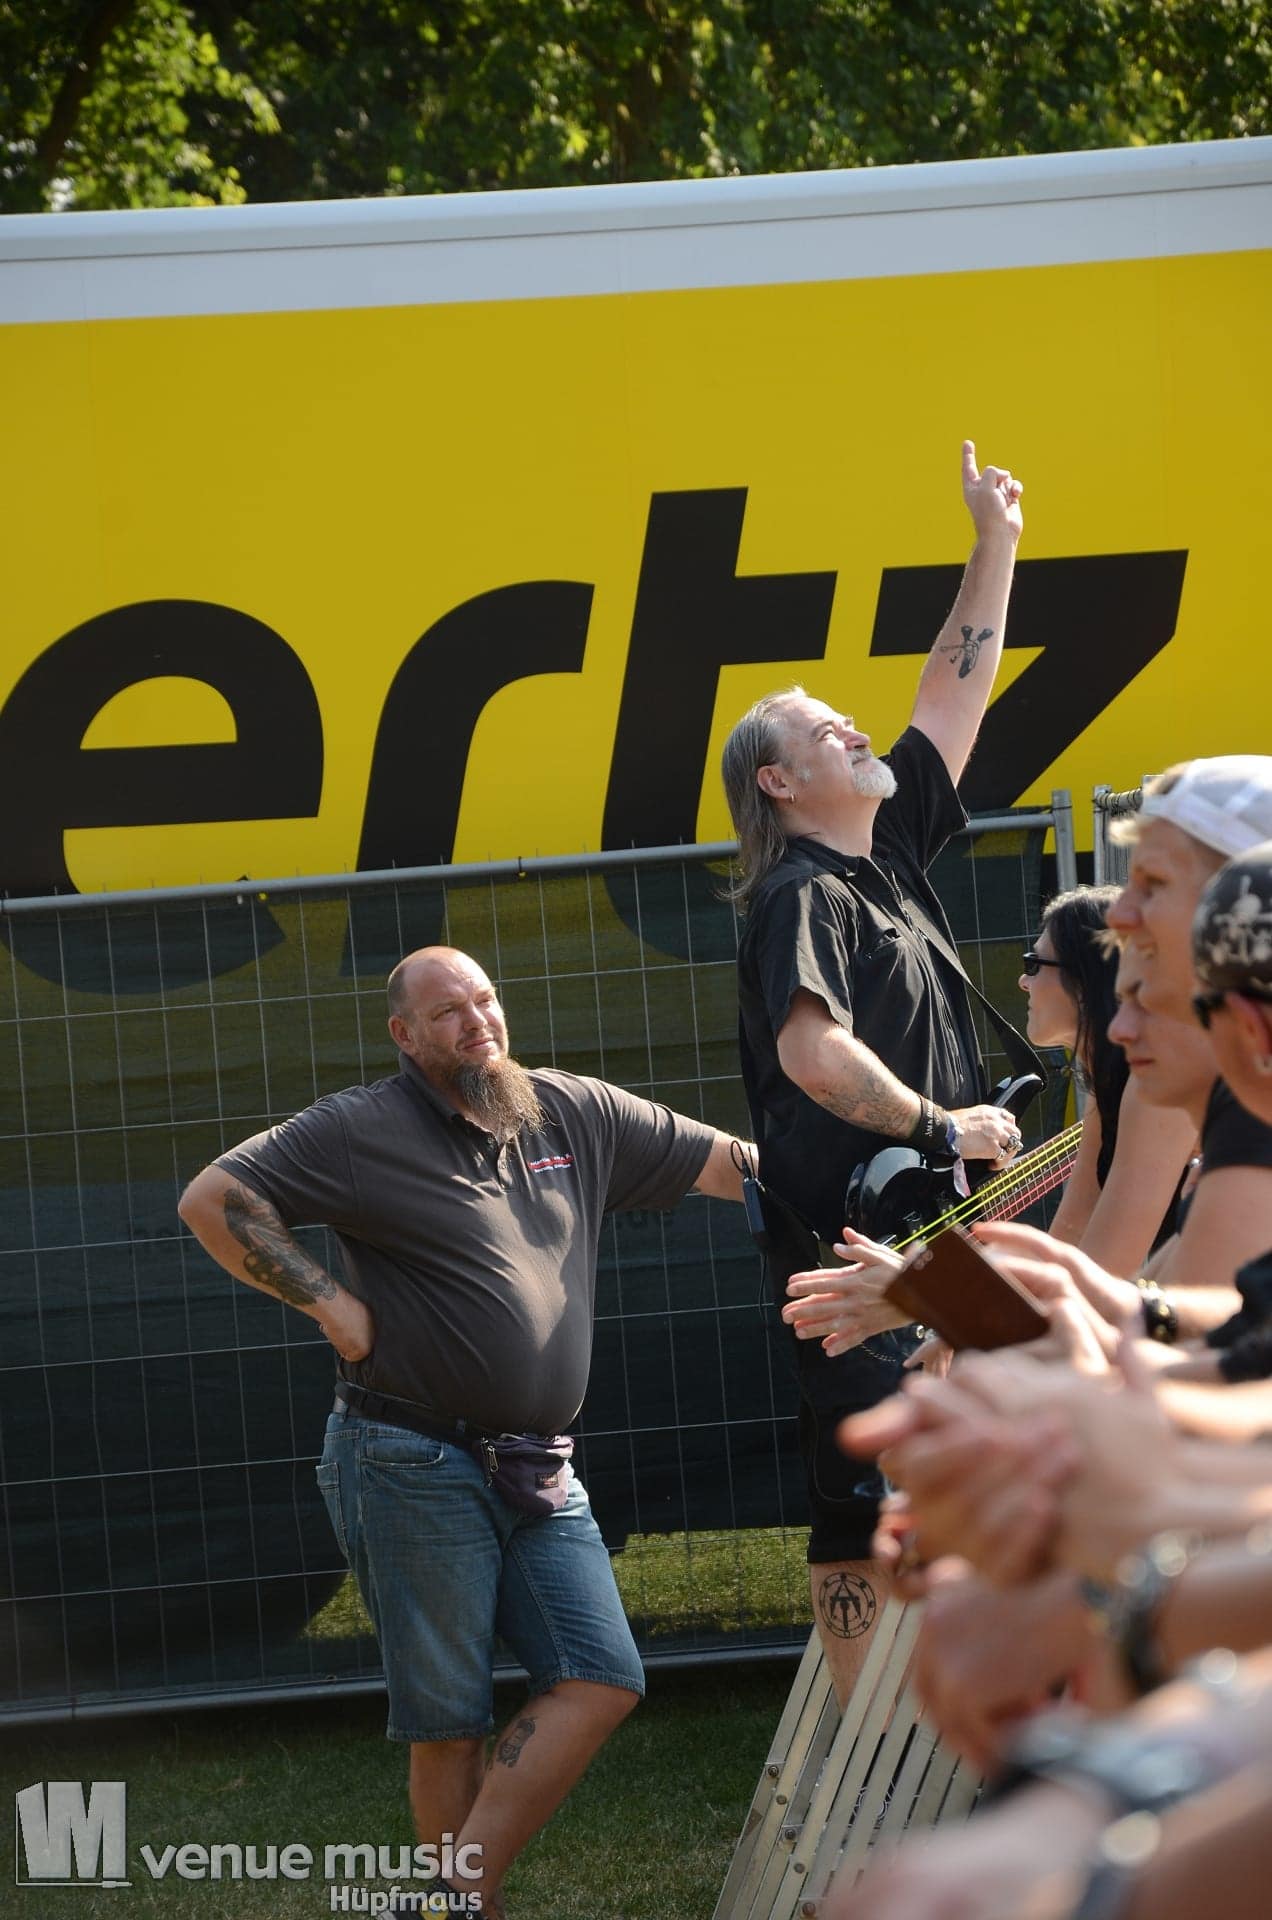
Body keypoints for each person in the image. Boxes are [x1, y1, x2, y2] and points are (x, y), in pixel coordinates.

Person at [177, 945, 746, 1918]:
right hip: (408, 1458)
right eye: (446, 1012)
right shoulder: (361, 1127)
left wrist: (899, 1158)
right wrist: (331, 1307)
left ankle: (447, 1895)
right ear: (404, 1035)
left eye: (484, 999)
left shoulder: (569, 1110)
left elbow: (731, 1164)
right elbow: (211, 1200)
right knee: (450, 1722)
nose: (475, 1020)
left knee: (601, 1676)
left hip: (538, 1469)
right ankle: (466, 1907)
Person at [719, 439, 1028, 1705]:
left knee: (985, 1455)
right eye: (820, 727)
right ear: (780, 781)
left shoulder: (883, 853)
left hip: (943, 1233)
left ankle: (980, 1723)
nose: (853, 725)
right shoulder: (800, 892)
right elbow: (811, 1053)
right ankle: (868, 1751)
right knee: (867, 1494)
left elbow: (951, 698)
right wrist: (942, 1124)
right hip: (863, 1247)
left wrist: (995, 542)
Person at [1019, 885, 1194, 1274]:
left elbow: (1100, 1269)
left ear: (1086, 982)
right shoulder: (1112, 1083)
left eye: (1034, 964)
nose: (1023, 982)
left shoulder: (1155, 1087)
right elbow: (1070, 1234)